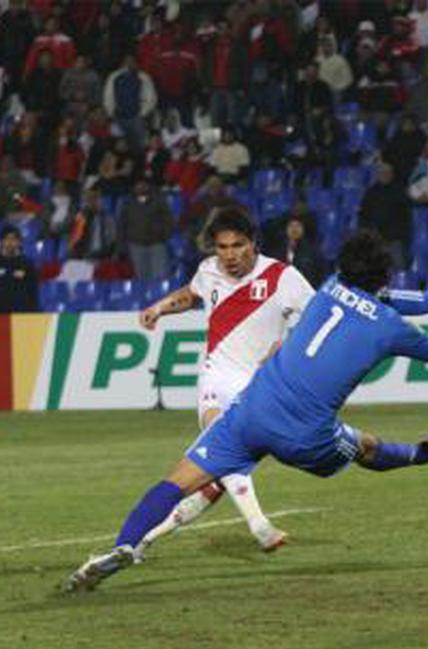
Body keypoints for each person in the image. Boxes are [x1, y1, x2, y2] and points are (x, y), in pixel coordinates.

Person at [64, 231, 428, 592]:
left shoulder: (333, 285)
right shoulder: (391, 327)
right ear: (385, 273)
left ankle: (125, 545)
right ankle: (420, 455)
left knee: (177, 479)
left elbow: (381, 296)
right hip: (305, 435)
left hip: (250, 411)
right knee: (362, 445)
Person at [132, 208, 315, 553]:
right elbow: (191, 294)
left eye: (237, 245)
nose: (229, 255)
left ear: (253, 244)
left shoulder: (282, 276)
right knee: (222, 450)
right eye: (222, 247)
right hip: (216, 377)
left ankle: (142, 541)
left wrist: (286, 342)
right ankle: (260, 525)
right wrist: (159, 307)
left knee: (213, 479)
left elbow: (315, 317)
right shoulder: (209, 270)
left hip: (260, 387)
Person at [118, 178, 175, 280]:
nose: (140, 187)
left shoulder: (159, 200)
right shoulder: (127, 203)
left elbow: (169, 220)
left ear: (148, 185)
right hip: (136, 245)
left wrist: (163, 236)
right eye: (137, 184)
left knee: (159, 277)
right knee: (142, 279)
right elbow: (122, 225)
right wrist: (122, 245)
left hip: (157, 244)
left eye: (143, 184)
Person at [0, 225, 40, 314]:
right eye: (7, 239)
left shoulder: (27, 264)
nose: (10, 242)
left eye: (14, 239)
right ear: (1, 242)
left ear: (19, 242)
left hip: (21, 316)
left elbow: (33, 292)